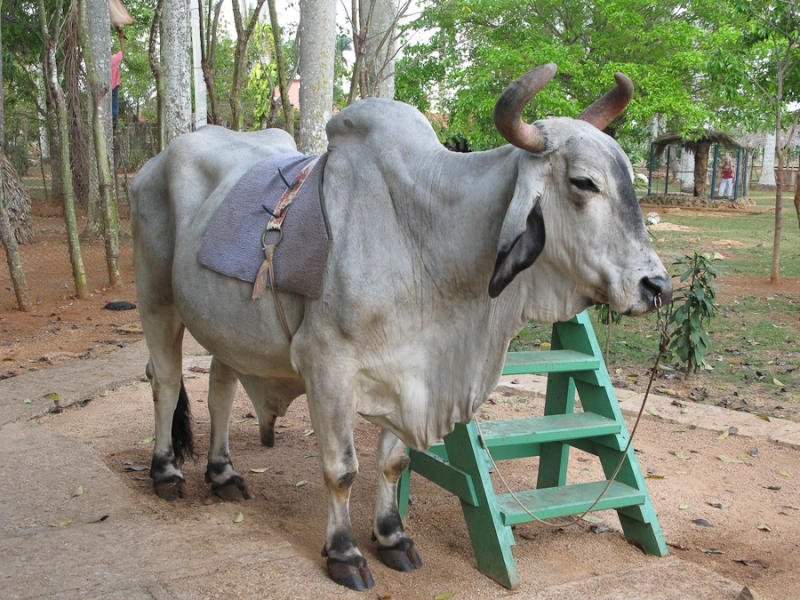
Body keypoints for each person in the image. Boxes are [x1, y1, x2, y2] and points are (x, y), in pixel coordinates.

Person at [111, 29, 125, 130]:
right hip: (113, 87)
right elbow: (122, 51)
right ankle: (114, 124)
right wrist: (121, 39)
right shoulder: (113, 59)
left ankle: (113, 123)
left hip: (105, 87)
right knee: (114, 106)